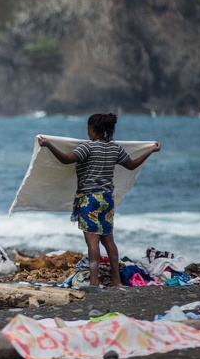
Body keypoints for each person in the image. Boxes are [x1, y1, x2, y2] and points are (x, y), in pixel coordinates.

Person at [38, 113, 161, 288]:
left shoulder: (87, 147)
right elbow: (132, 165)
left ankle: (94, 282)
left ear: (94, 130)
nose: (87, 132)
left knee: (92, 241)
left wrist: (48, 145)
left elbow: (66, 160)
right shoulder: (115, 148)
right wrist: (150, 150)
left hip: (89, 199)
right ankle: (116, 280)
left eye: (88, 128)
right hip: (107, 198)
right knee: (108, 240)